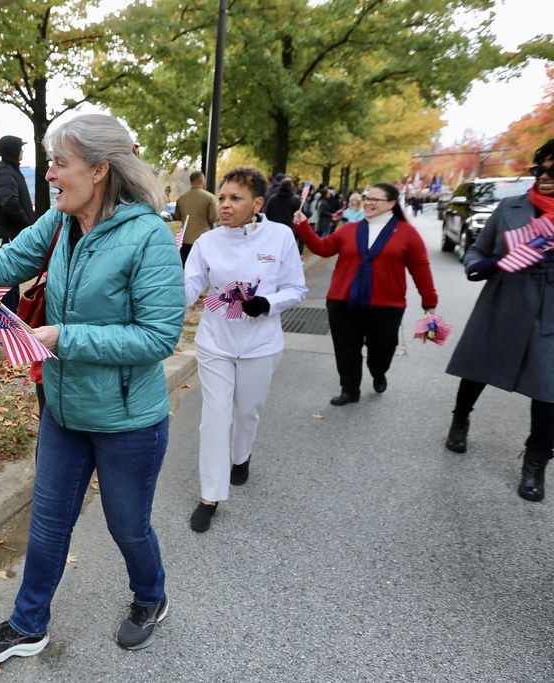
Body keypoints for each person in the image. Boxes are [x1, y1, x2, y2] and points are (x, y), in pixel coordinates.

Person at [0, 114, 184, 661]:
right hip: (64, 413)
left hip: (128, 423)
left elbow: (158, 337)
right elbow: (1, 261)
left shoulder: (148, 237)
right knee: (47, 523)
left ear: (99, 170)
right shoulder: (60, 222)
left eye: (59, 163)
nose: (48, 175)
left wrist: (63, 336)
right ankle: (28, 625)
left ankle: (150, 596)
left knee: (127, 527)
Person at [445, 136, 554, 502]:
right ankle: (460, 419)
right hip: (505, 298)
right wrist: (476, 266)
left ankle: (535, 463)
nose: (544, 175)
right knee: (477, 367)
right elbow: (478, 250)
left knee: (551, 388)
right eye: (538, 169)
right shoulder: (510, 207)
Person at [184, 167, 307, 532]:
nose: (225, 204)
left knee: (247, 411)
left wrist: (266, 303)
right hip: (215, 343)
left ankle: (242, 457)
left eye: (235, 198)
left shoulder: (281, 236)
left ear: (257, 203)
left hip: (261, 344)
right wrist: (162, 300)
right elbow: (189, 286)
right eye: (222, 197)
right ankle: (210, 495)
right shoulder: (208, 242)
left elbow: (296, 288)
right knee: (215, 416)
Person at [293, 183, 438, 406]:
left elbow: (420, 268)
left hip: (387, 305)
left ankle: (378, 372)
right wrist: (303, 227)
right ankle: (349, 389)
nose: (369, 202)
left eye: (375, 199)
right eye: (367, 198)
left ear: (391, 203)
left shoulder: (407, 233)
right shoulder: (349, 229)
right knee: (346, 348)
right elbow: (323, 248)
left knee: (382, 349)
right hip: (343, 301)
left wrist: (429, 303)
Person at [0, 134, 35, 311]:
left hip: (13, 233)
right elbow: (9, 203)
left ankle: (12, 316)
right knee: (8, 281)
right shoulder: (5, 172)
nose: (22, 150)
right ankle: (9, 321)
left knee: (12, 280)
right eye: (20, 147)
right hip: (10, 234)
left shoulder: (10, 170)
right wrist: (28, 226)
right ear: (13, 150)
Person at [174, 170, 218, 265]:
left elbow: (177, 216)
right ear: (202, 180)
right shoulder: (210, 198)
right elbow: (213, 218)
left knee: (187, 266)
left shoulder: (181, 199)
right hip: (203, 239)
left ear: (191, 181)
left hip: (185, 240)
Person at [263, 176, 303, 254]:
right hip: (289, 230)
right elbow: (300, 215)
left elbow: (266, 213)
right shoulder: (295, 200)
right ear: (291, 186)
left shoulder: (272, 198)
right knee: (286, 253)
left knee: (273, 252)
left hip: (273, 230)